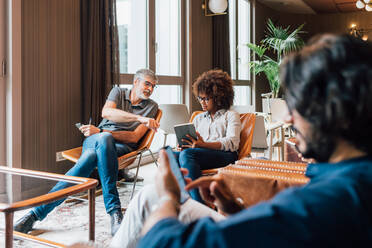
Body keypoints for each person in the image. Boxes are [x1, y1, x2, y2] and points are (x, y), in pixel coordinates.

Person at [113, 34, 372, 248]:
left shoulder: (323, 203)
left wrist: (169, 197)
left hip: (221, 157)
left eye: (299, 106)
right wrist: (235, 210)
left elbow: (164, 243)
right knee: (164, 178)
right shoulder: (350, 183)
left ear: (338, 112)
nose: (288, 118)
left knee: (152, 196)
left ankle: (182, 196)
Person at [14, 68, 160, 236]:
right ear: (136, 82)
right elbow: (107, 112)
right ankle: (114, 212)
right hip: (95, 140)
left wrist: (103, 133)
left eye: (153, 86)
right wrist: (138, 118)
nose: (150, 89)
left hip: (120, 147)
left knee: (94, 152)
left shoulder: (152, 107)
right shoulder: (118, 92)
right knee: (103, 139)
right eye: (147, 84)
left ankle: (33, 215)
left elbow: (135, 138)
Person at [174, 69, 241, 203]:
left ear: (219, 97)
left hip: (225, 155)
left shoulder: (231, 115)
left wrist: (202, 145)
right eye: (200, 98)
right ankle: (182, 200)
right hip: (202, 154)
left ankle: (199, 203)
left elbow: (232, 143)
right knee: (168, 154)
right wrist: (185, 144)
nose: (202, 102)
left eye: (206, 99)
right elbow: (196, 144)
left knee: (187, 155)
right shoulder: (198, 118)